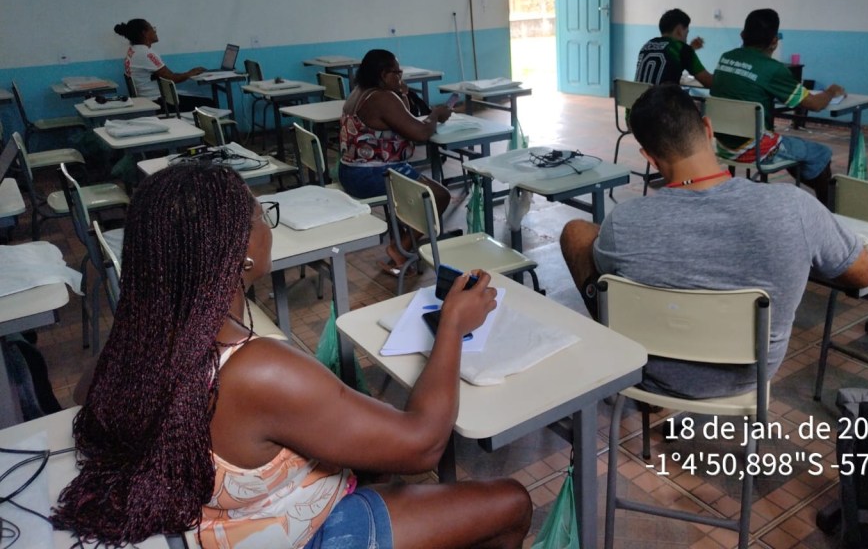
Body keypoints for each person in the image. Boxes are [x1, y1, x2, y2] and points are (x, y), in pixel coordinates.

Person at [52, 163, 532, 549]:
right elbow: (423, 444)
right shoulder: (258, 370)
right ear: (239, 252)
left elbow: (84, 392)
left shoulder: (136, 341)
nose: (267, 226)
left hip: (223, 521)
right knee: (511, 502)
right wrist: (451, 326)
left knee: (369, 459)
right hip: (295, 529)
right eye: (261, 215)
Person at [559, 84, 868, 400]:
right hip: (751, 375)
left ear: (649, 157)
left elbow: (605, 270)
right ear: (709, 129)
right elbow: (865, 275)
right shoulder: (793, 206)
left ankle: (620, 346)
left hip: (650, 374)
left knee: (576, 231)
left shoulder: (623, 222)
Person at [710, 8, 844, 204]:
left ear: (742, 35)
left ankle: (820, 193)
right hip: (756, 148)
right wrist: (831, 91)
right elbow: (815, 105)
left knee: (794, 149)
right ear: (774, 41)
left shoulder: (725, 58)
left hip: (722, 146)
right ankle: (828, 212)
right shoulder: (773, 69)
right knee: (821, 153)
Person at [338, 49, 453, 271]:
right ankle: (402, 247)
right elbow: (419, 133)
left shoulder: (360, 92)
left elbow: (404, 118)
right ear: (383, 74)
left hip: (350, 171)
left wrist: (401, 93)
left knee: (417, 189)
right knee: (439, 196)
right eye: (397, 73)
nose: (401, 77)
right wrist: (435, 115)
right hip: (373, 174)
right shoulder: (382, 98)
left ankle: (402, 237)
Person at [118, 19, 211, 111]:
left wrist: (187, 73)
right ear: (144, 33)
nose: (155, 31)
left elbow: (164, 74)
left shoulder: (133, 50)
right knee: (208, 103)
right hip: (156, 101)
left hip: (146, 98)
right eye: (152, 28)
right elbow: (171, 78)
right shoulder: (146, 53)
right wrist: (190, 73)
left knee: (194, 98)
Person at [634, 9, 713, 88]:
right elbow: (709, 82)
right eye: (687, 33)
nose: (686, 39)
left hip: (639, 98)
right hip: (662, 98)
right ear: (679, 31)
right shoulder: (684, 50)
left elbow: (667, 55)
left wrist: (690, 49)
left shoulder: (647, 45)